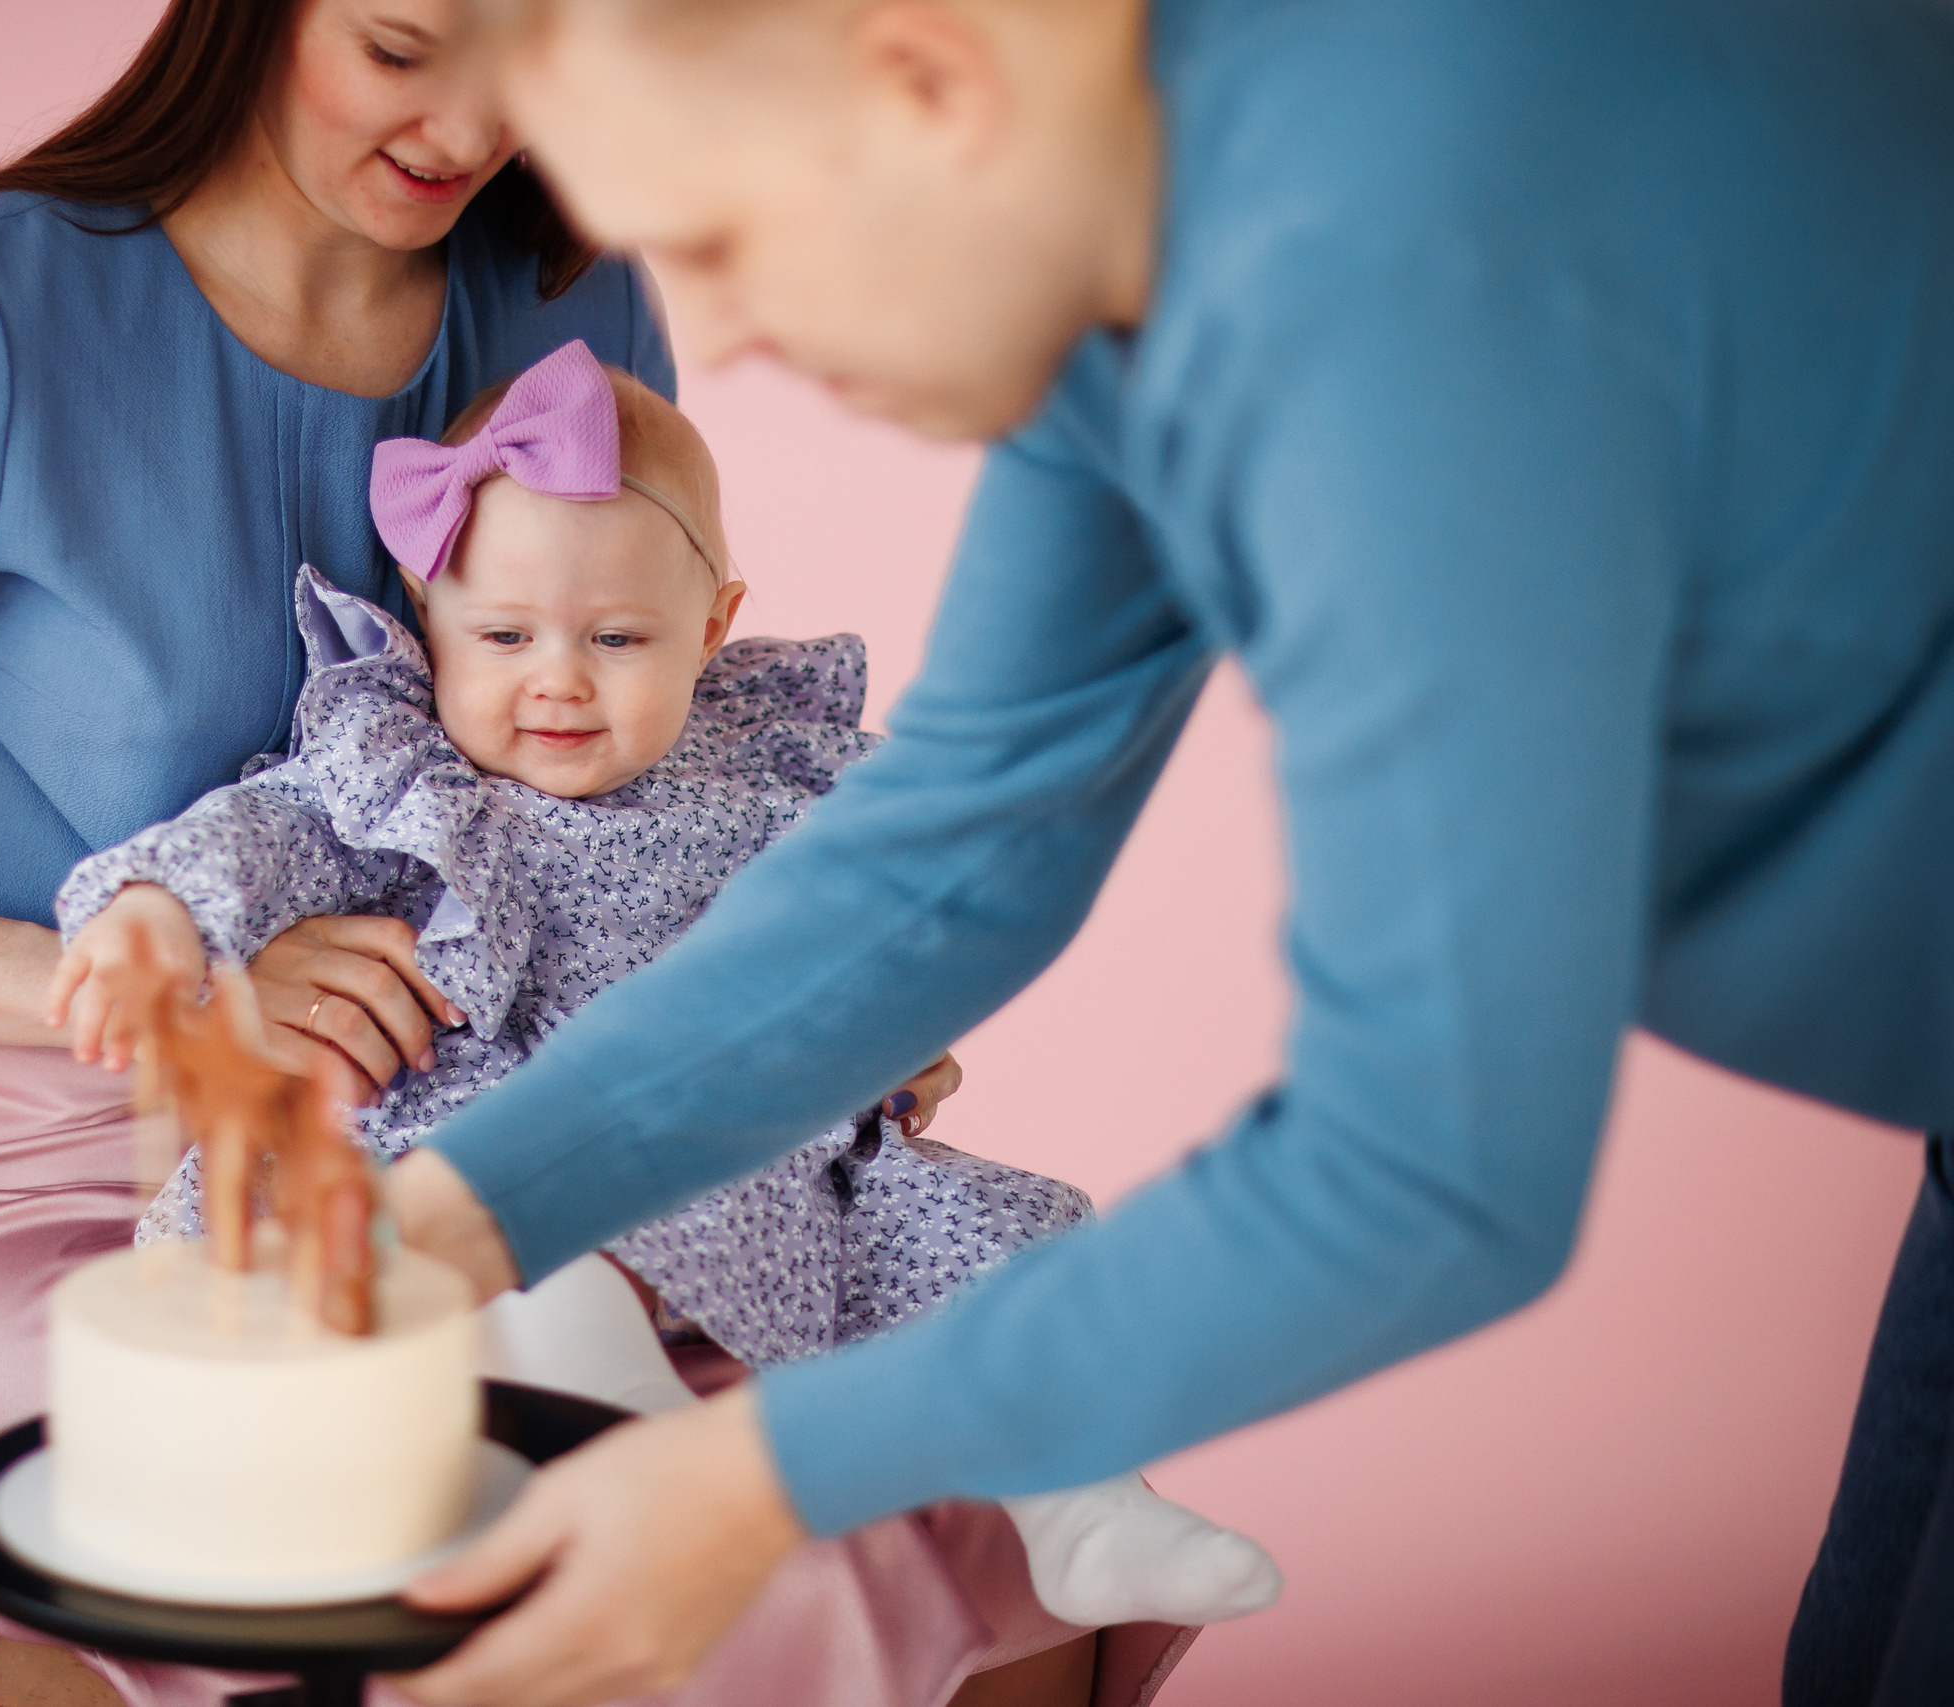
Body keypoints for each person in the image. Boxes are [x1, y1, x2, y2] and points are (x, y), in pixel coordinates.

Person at [356, 2, 1954, 1706]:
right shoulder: (1118, 206)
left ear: (927, 83)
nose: (725, 342)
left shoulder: (1377, 268)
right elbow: (968, 836)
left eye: (725, 243)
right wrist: (458, 1209)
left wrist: (759, 1478)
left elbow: (1427, 1171)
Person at [0, 1, 1131, 1699]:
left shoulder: (571, 306)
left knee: (965, 1469)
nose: (468, 131)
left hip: (498, 1136)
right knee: (483, 1544)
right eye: (402, 45)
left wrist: (791, 1017)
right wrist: (179, 1001)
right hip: (19, 1157)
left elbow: (618, 774)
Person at [47, 342, 1284, 1631]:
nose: (559, 678)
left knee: (1005, 1245)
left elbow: (908, 892)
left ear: (714, 626)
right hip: (466, 1133)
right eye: (504, 634)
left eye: (619, 637)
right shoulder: (403, 762)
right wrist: (153, 910)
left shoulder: (770, 764)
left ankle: (1088, 1507)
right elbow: (262, 831)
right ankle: (621, 1452)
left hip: (740, 1133)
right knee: (533, 1256)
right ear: (428, 622)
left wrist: (901, 1015)